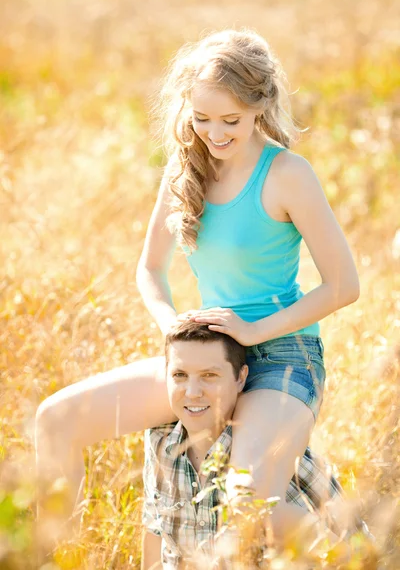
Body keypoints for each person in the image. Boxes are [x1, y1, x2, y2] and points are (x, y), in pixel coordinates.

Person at [35, 28, 360, 546]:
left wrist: (254, 332)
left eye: (230, 120)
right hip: (207, 352)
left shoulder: (288, 174)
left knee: (248, 496)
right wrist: (171, 328)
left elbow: (343, 287)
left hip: (284, 353)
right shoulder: (184, 170)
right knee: (55, 420)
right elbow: (149, 270)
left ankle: (351, 551)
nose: (215, 133)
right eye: (201, 118)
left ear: (261, 106)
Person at [142, 320, 356, 569]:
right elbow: (154, 529)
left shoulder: (269, 455)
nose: (192, 392)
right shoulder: (159, 439)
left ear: (240, 378)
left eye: (209, 376)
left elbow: (345, 550)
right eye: (180, 375)